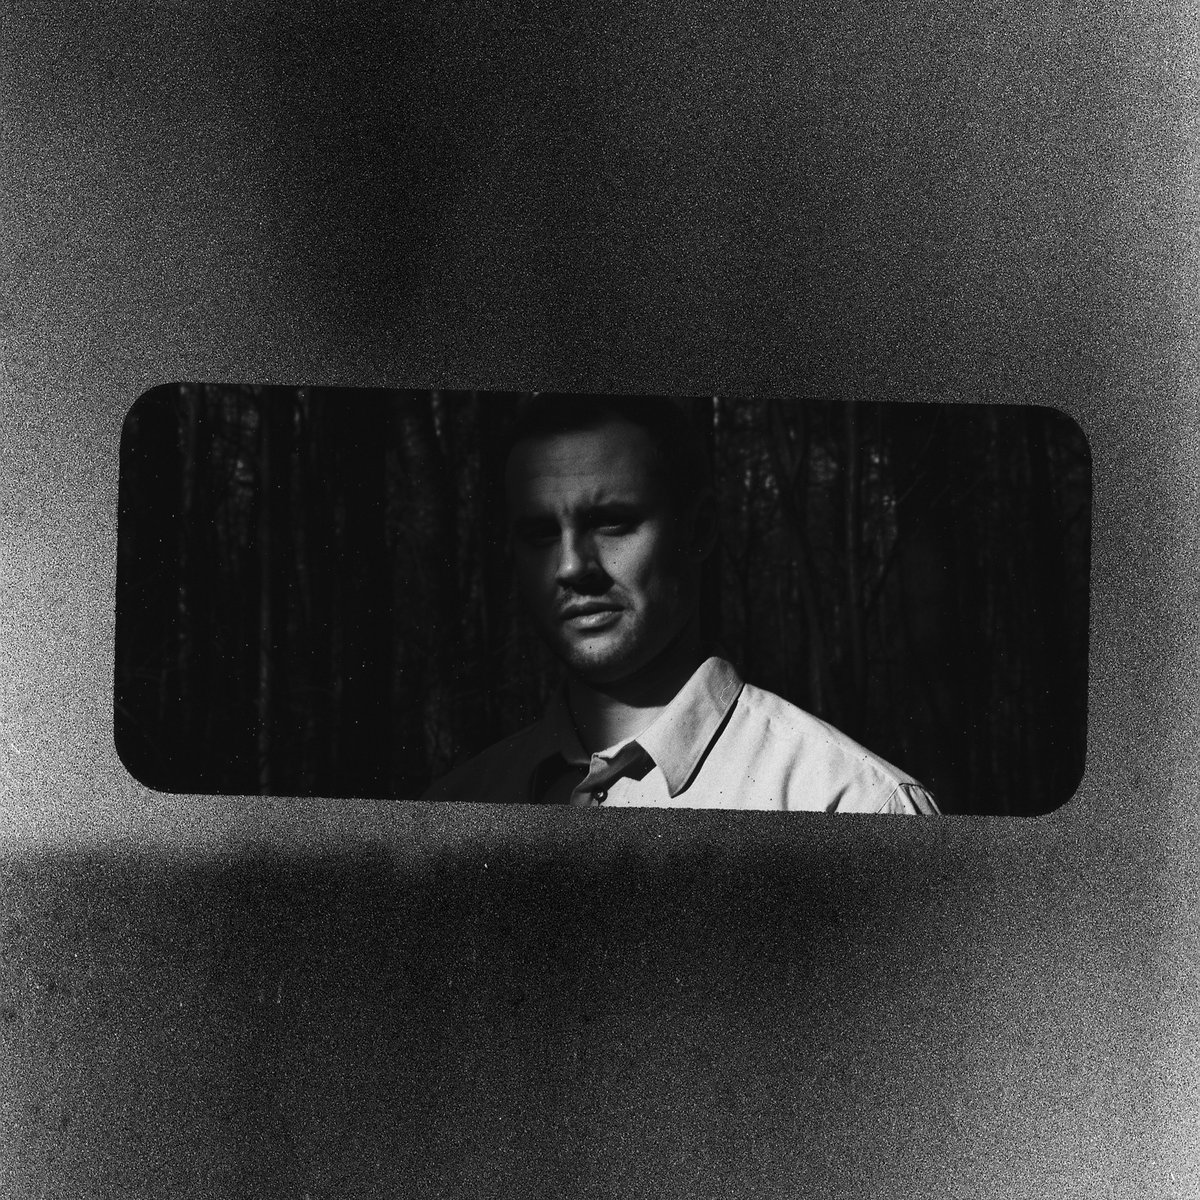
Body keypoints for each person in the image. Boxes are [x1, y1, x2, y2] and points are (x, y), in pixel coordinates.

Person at [423, 396, 939, 813]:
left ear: (699, 530)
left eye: (611, 522)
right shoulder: (455, 806)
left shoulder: (850, 802)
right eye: (539, 533)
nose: (571, 566)